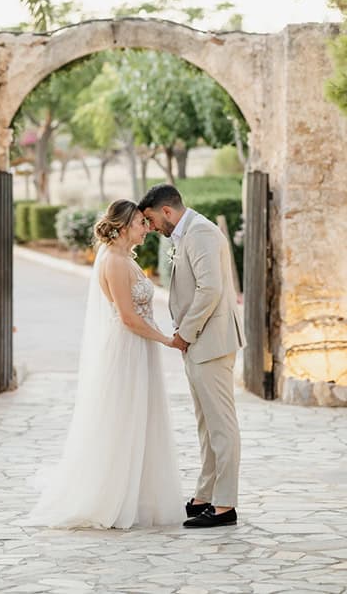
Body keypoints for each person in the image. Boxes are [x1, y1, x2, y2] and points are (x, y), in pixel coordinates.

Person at [27, 199, 184, 529]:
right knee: (122, 417)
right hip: (127, 348)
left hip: (141, 347)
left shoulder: (125, 257)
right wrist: (167, 339)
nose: (148, 229)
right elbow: (127, 317)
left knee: (141, 416)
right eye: (142, 223)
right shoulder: (113, 261)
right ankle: (111, 496)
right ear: (125, 226)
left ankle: (139, 494)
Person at [139, 184, 246, 529]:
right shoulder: (185, 234)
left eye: (152, 220)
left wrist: (185, 333)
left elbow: (210, 289)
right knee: (206, 425)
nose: (152, 227)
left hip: (209, 341)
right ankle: (205, 495)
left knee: (221, 426)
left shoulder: (200, 232)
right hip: (200, 343)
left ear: (166, 211)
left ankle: (225, 505)